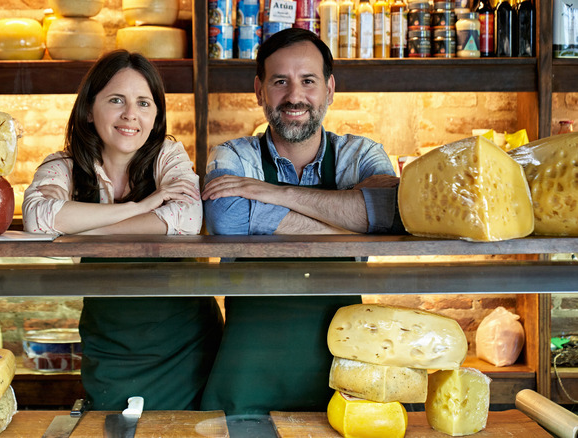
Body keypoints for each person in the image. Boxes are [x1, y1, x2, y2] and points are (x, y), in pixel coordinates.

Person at [200, 28, 404, 416]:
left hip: (342, 368)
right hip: (248, 367)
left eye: (308, 81)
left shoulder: (360, 153)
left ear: (329, 88)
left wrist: (277, 193)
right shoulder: (233, 155)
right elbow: (226, 217)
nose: (295, 96)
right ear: (259, 90)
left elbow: (390, 213)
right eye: (280, 82)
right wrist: (352, 220)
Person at [23, 49, 223, 411]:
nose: (131, 114)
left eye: (144, 103)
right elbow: (37, 219)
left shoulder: (169, 156)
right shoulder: (63, 166)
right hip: (109, 342)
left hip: (185, 344)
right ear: (88, 108)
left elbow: (187, 218)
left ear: (156, 114)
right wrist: (140, 207)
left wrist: (76, 229)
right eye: (117, 100)